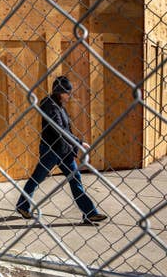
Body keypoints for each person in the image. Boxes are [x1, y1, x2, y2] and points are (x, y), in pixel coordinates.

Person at [16, 76, 108, 224]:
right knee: (37, 178)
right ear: (59, 92)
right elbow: (59, 129)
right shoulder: (49, 105)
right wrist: (78, 142)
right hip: (51, 151)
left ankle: (89, 213)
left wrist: (73, 145)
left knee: (75, 179)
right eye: (67, 93)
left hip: (64, 151)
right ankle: (22, 205)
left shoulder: (59, 105)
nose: (69, 96)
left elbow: (66, 129)